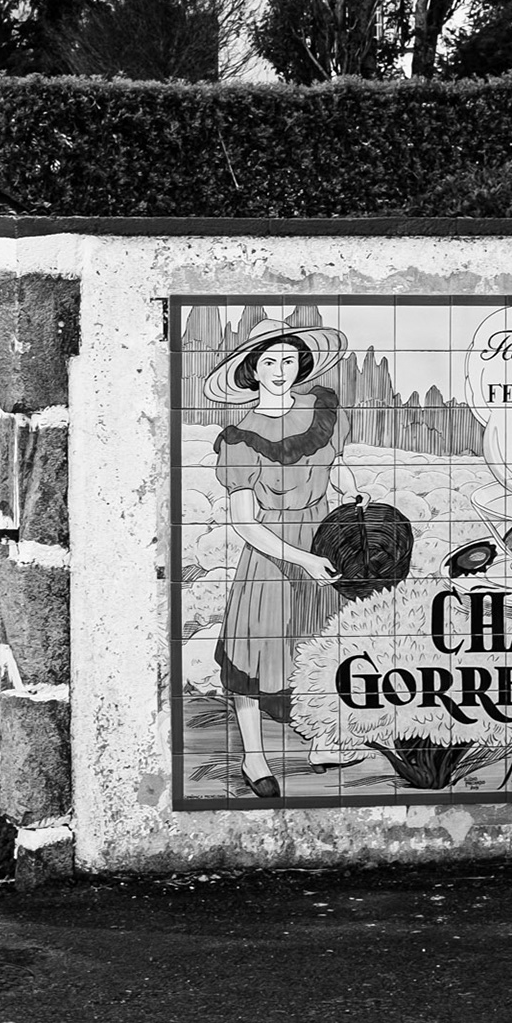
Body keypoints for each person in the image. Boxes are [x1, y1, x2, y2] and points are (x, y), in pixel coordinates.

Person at [205, 317, 360, 798]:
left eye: (288, 359)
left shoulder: (321, 410)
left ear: (301, 364)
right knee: (257, 651)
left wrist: (352, 490)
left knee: (316, 642)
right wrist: (300, 559)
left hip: (321, 539)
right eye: (268, 360)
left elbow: (337, 465)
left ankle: (322, 740)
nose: (279, 369)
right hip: (270, 554)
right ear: (252, 369)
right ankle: (254, 758)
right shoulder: (240, 436)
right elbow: (245, 523)